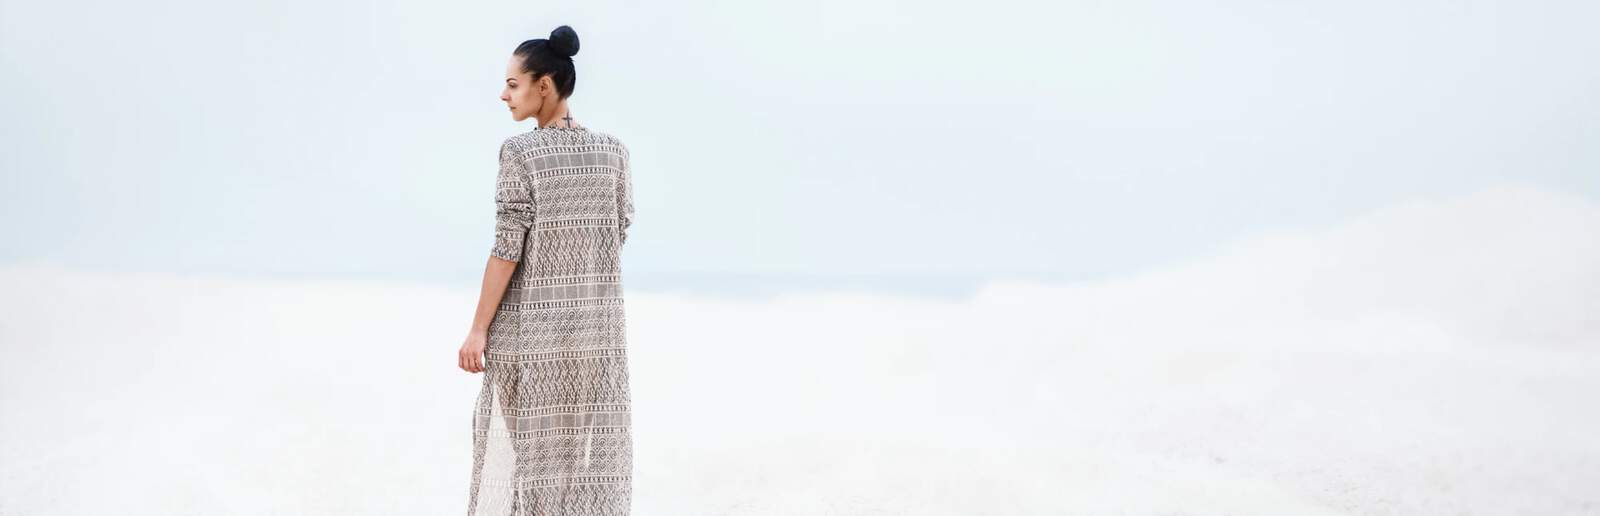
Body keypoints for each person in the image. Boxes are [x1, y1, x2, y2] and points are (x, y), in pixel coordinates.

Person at [458, 25, 635, 516]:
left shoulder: (520, 153)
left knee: (532, 466)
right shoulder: (614, 153)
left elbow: (506, 249)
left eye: (512, 83)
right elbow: (617, 232)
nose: (503, 94)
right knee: (582, 466)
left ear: (544, 85)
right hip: (594, 339)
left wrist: (477, 330)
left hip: (529, 336)